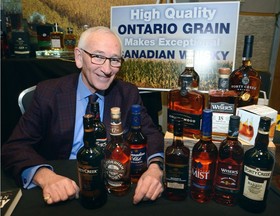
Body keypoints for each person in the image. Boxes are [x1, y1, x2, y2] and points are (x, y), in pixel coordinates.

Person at [2, 26, 164, 205]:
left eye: (115, 60)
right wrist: (46, 177)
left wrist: (155, 167)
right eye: (98, 57)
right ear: (79, 57)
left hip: (113, 184)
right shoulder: (48, 93)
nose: (107, 69)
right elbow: (15, 147)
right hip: (63, 182)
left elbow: (151, 133)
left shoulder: (127, 94)